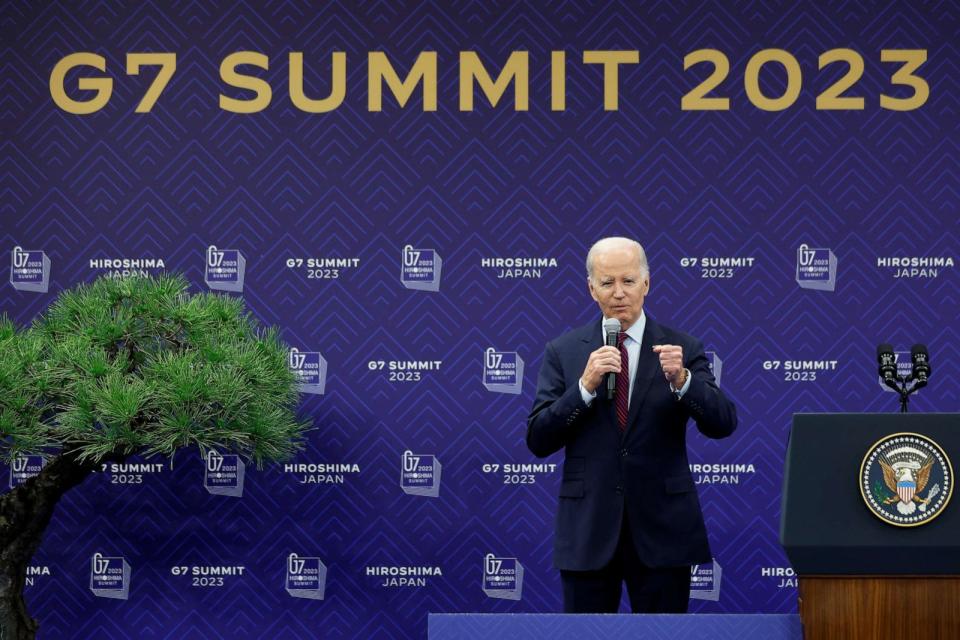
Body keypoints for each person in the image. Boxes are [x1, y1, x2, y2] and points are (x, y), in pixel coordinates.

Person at [526, 236, 737, 613]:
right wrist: (583, 388)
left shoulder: (681, 348)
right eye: (607, 283)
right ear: (591, 288)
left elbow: (723, 424)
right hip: (589, 531)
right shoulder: (565, 351)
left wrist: (684, 382)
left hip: (664, 530)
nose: (619, 293)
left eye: (628, 281)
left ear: (647, 284)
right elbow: (539, 439)